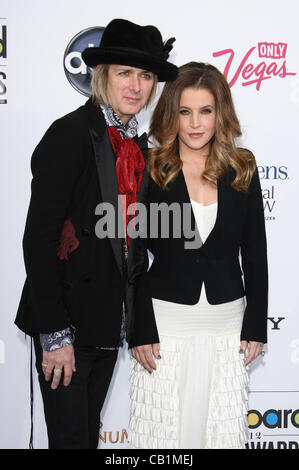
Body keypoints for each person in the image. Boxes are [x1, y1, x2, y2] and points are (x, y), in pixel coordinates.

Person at [15, 18, 177, 449]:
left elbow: (136, 244)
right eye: (125, 73)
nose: (136, 86)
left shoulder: (140, 148)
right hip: (65, 327)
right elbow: (38, 240)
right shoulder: (69, 134)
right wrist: (54, 336)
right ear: (102, 76)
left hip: (107, 326)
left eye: (145, 76)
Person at [127, 62, 268, 449]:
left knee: (218, 434)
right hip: (166, 324)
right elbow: (135, 256)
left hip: (226, 326)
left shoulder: (243, 167)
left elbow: (255, 252)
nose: (194, 124)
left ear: (220, 113)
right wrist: (138, 328)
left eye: (205, 111)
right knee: (161, 435)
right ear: (172, 114)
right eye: (185, 112)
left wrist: (256, 324)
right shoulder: (151, 167)